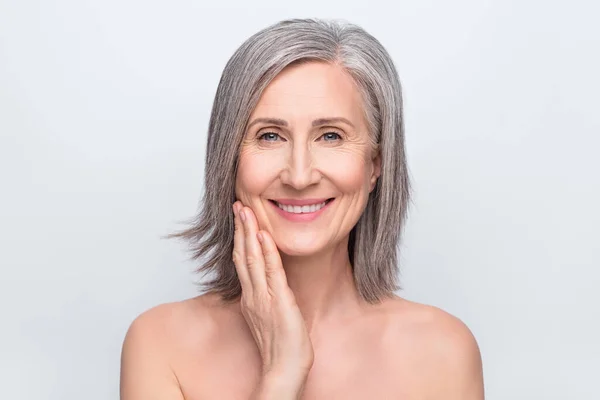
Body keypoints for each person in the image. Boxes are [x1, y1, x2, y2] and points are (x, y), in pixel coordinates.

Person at [120, 18, 484, 399]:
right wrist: (282, 374)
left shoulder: (444, 352)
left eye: (331, 135)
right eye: (270, 136)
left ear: (374, 165)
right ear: (229, 160)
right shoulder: (161, 344)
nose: (299, 175)